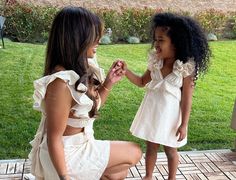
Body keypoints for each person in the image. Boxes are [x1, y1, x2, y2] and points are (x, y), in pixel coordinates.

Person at [28, 6, 142, 180]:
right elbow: (54, 138)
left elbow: (91, 108)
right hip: (66, 155)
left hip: (81, 145)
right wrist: (64, 177)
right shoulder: (61, 83)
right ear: (77, 38)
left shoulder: (79, 70)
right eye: (94, 35)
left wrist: (109, 82)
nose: (98, 40)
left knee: (120, 172)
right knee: (134, 151)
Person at [123, 12, 210, 180]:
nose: (156, 44)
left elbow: (186, 99)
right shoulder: (156, 62)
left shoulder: (185, 68)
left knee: (171, 149)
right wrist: (126, 71)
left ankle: (172, 178)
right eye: (155, 39)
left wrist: (184, 124)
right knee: (151, 147)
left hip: (170, 117)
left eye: (161, 40)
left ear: (176, 43)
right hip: (153, 112)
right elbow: (141, 81)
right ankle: (148, 176)